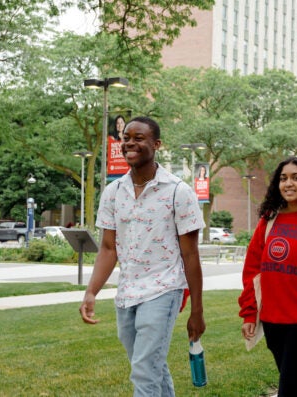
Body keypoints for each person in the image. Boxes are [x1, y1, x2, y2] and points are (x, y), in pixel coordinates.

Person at [79, 116, 206, 396]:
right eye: (126, 138)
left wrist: (197, 309)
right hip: (127, 293)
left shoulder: (178, 192)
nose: (130, 143)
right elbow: (109, 248)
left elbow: (190, 255)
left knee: (144, 368)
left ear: (156, 144)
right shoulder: (113, 192)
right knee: (152, 367)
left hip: (164, 289)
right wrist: (91, 292)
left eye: (139, 138)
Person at [238, 156, 297, 397]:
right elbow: (252, 269)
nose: (288, 183)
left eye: (296, 178)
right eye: (283, 178)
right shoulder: (270, 219)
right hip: (272, 319)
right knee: (296, 386)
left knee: (288, 389)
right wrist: (250, 312)